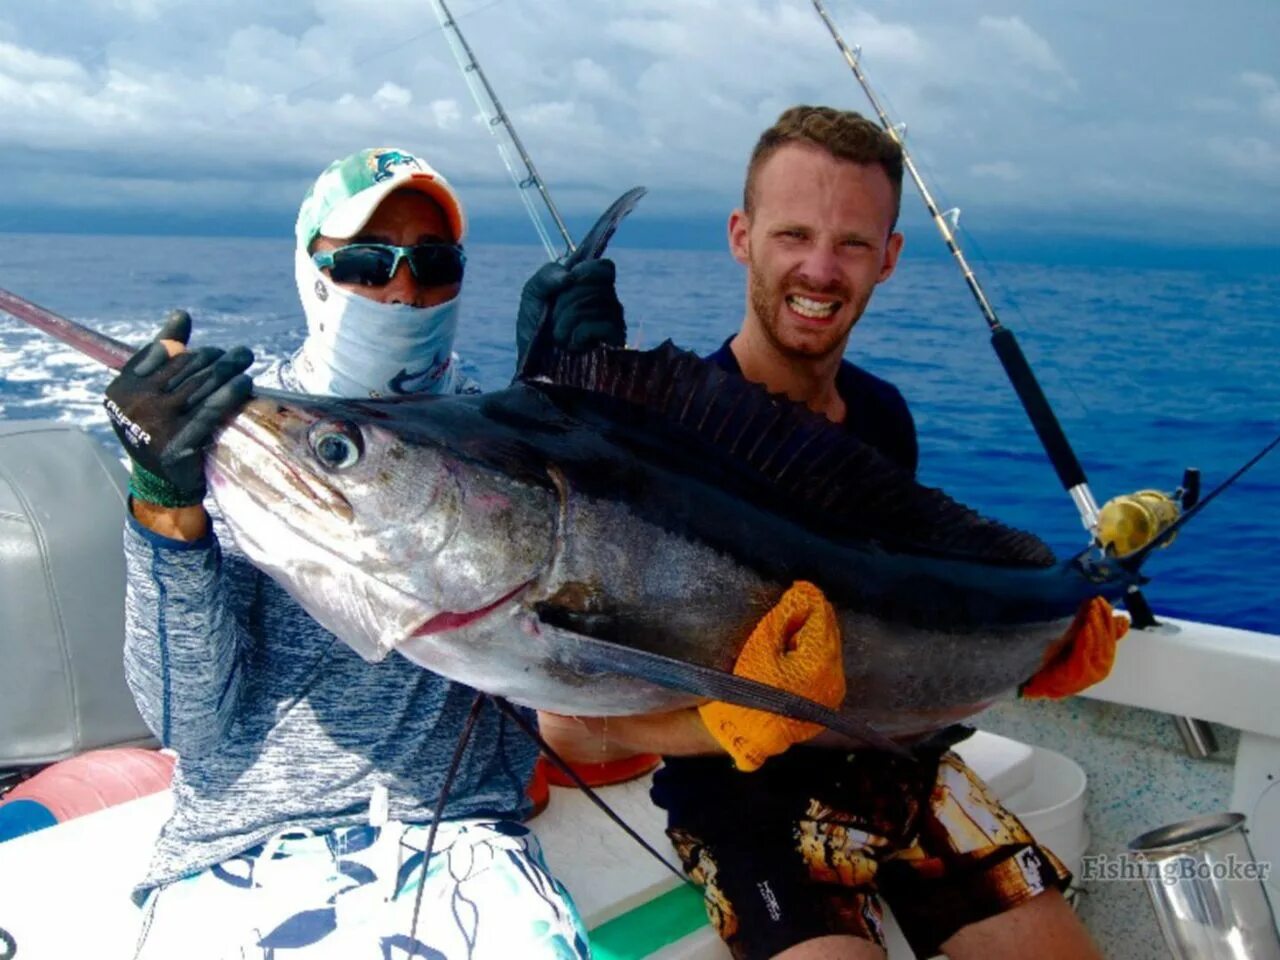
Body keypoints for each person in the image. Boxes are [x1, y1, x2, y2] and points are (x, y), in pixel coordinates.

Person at [530, 107, 1124, 960]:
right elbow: (575, 723)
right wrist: (731, 724)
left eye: (851, 242)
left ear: (889, 258)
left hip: (898, 769)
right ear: (742, 236)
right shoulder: (665, 443)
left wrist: (1036, 658)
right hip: (746, 809)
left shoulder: (882, 415)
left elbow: (898, 633)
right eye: (793, 233)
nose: (819, 267)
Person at [103, 146, 620, 959]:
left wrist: (582, 414)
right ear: (310, 271)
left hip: (461, 837)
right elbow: (186, 725)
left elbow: (574, 676)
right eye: (367, 263)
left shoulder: (508, 437)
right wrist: (166, 507)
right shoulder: (229, 437)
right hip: (242, 846)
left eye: (434, 263)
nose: (403, 290)